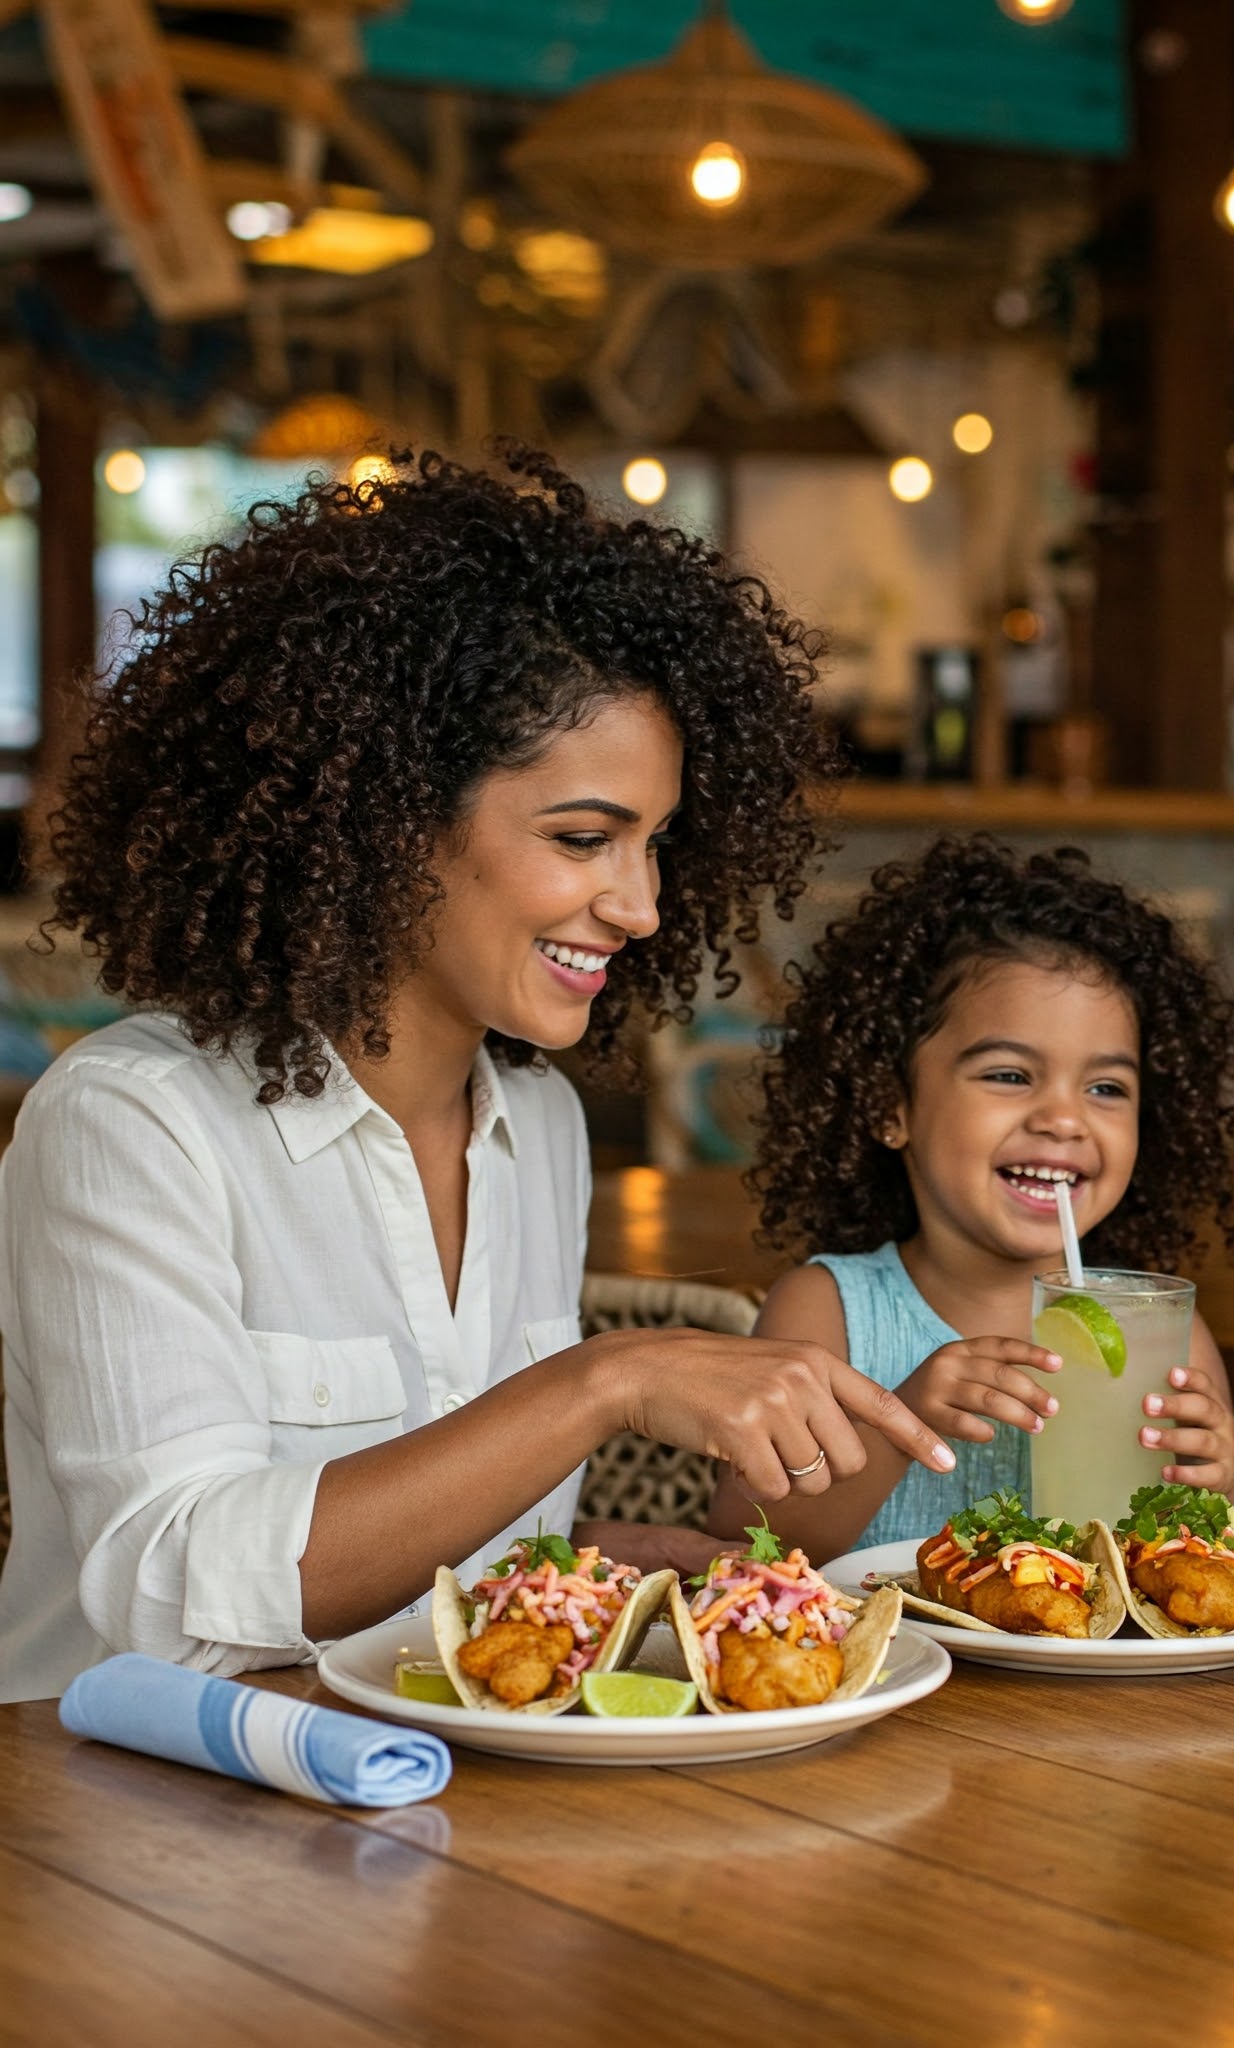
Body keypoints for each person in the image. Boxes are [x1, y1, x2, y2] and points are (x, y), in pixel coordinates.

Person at [0, 448, 955, 1703]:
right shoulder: (133, 1125)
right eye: (582, 838)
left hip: (431, 1805)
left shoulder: (536, 1125)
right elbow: (171, 1589)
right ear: (390, 821)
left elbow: (421, 1543)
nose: (643, 904)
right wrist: (606, 1379)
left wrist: (581, 1560)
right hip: (137, 1832)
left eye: (656, 843)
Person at [712, 835, 1234, 1558]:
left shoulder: (1158, 1333)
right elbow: (744, 1541)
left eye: (1106, 1088)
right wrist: (905, 1418)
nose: (1064, 1119)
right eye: (1010, 1075)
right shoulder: (829, 1312)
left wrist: (1228, 1480)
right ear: (892, 1107)